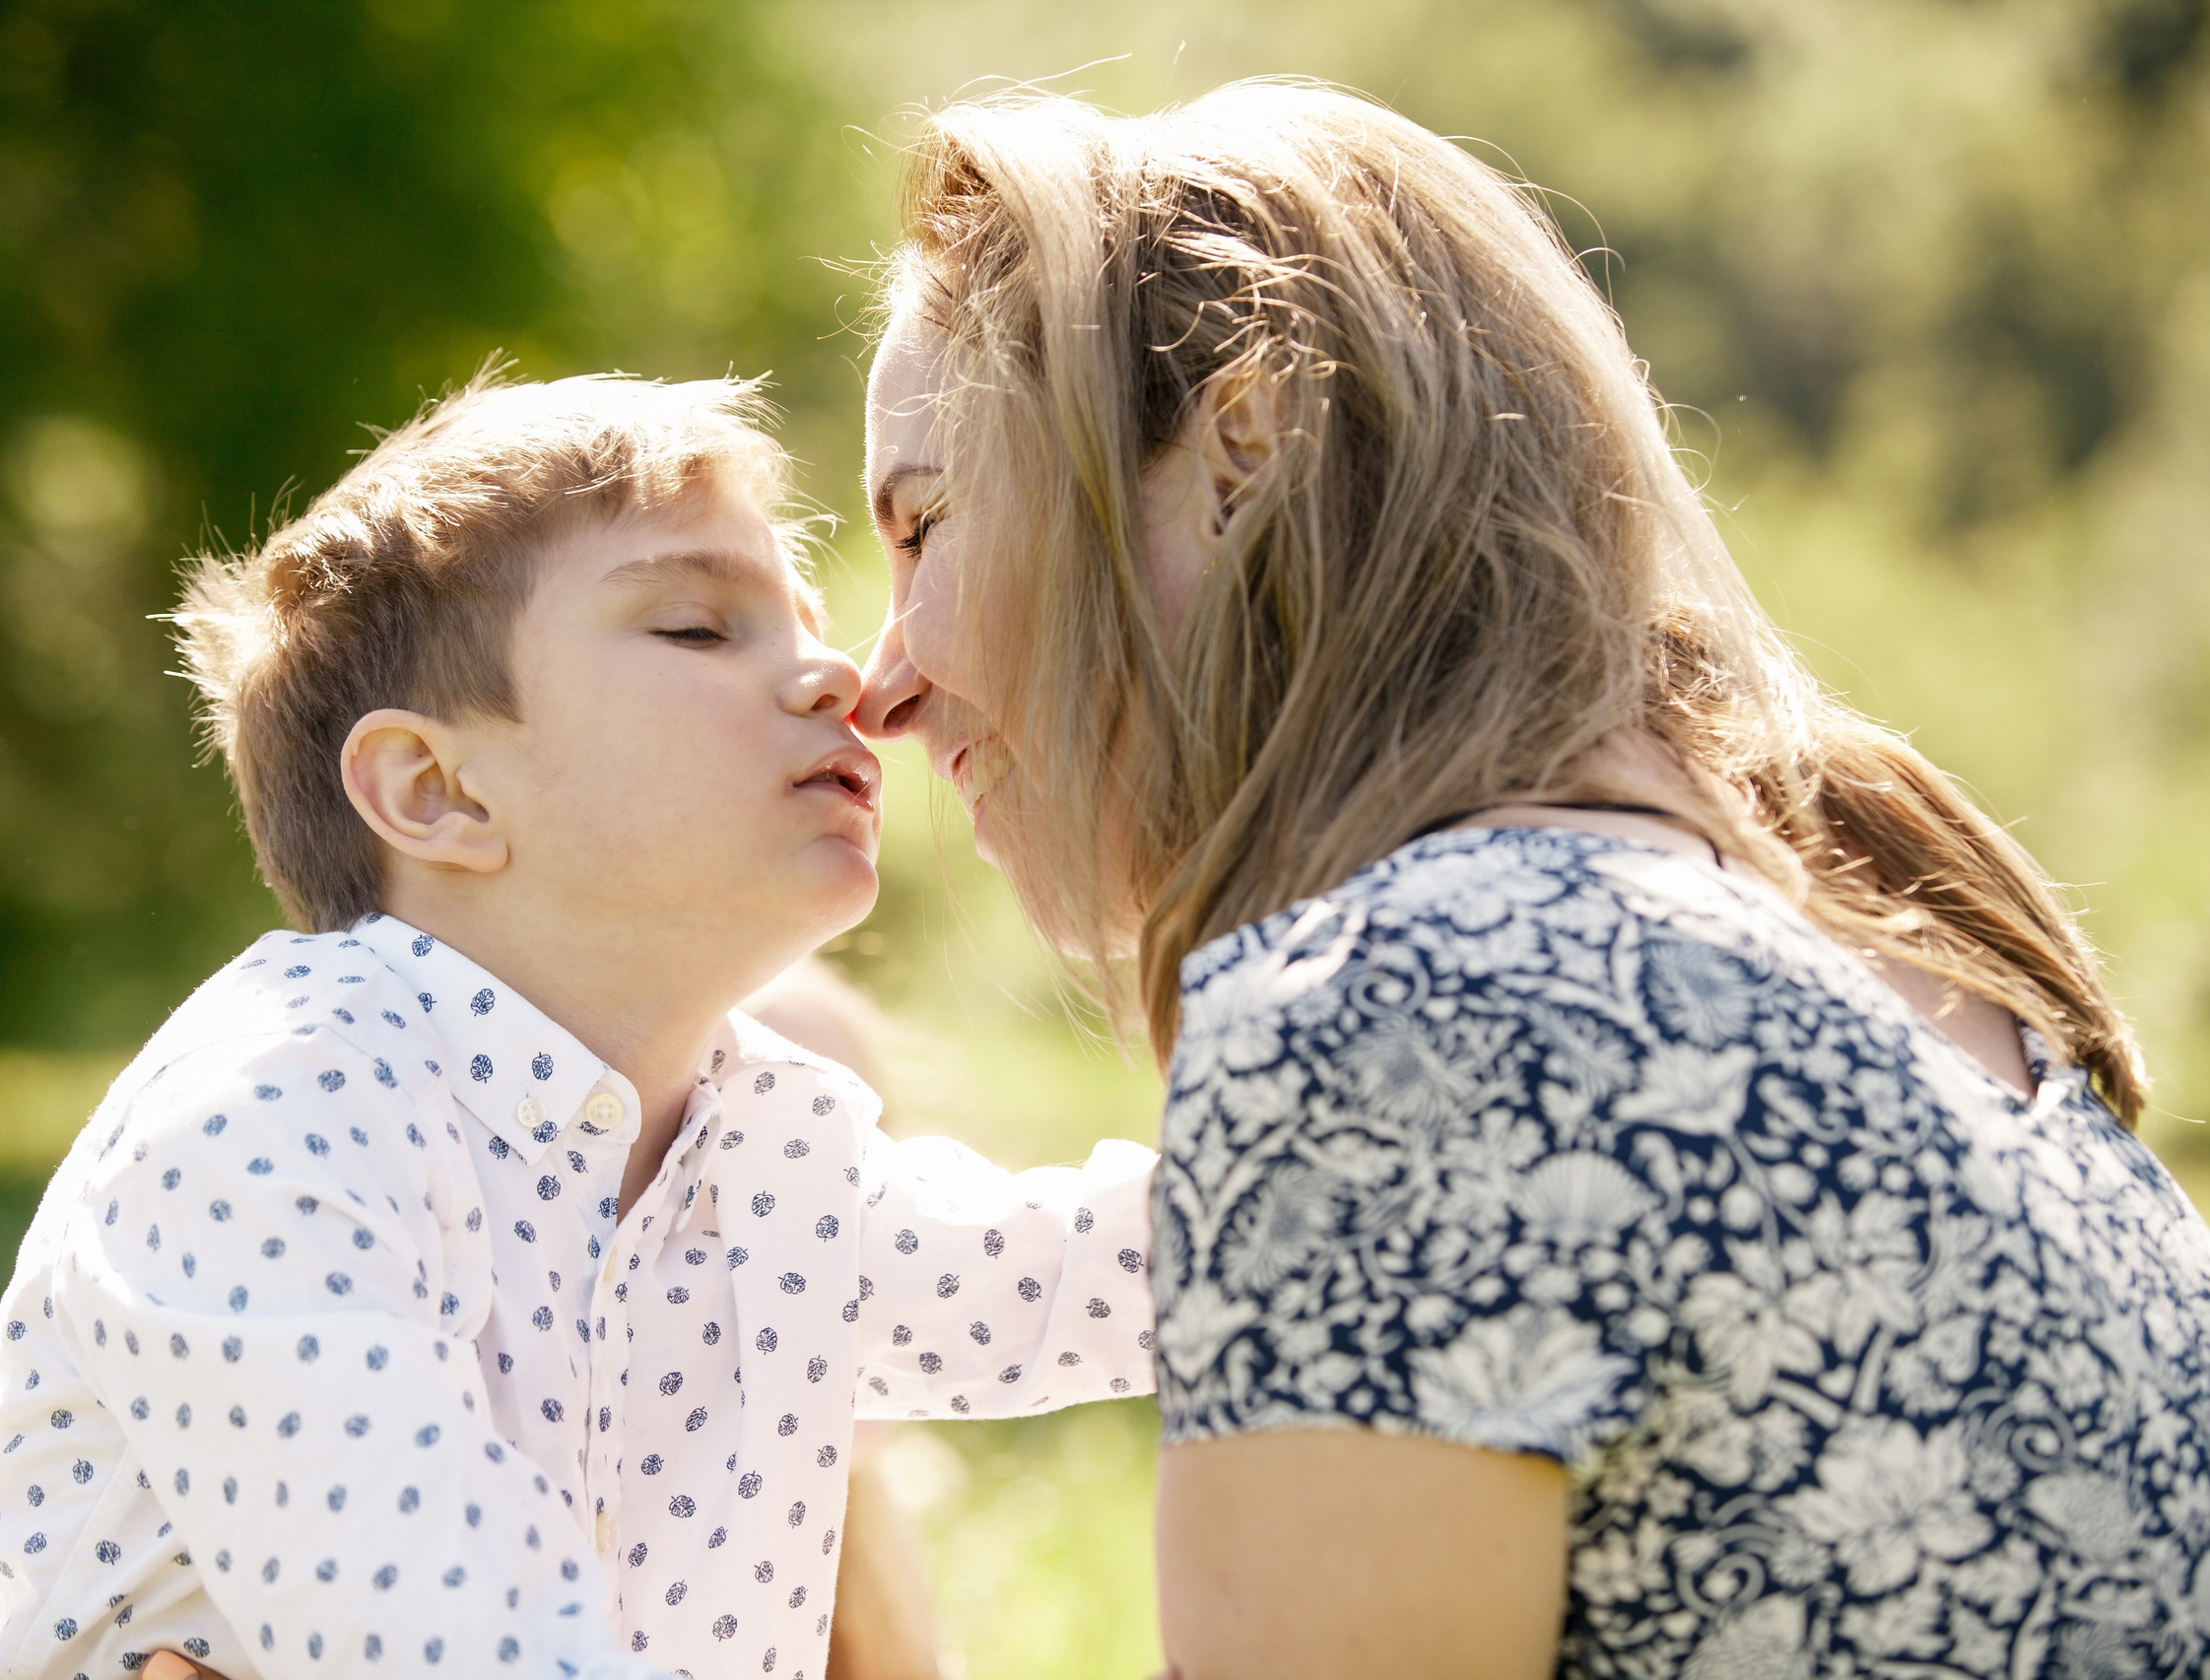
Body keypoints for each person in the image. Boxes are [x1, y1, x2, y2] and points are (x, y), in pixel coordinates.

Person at [851, 82, 2210, 1679]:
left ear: (1242, 453)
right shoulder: (1870, 916)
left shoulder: (1408, 1013)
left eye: (927, 522)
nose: (880, 684)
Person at [0, 370, 1154, 1680]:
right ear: (434, 791)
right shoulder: (274, 1121)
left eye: (809, 619)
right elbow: (466, 1646)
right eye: (702, 628)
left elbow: (1108, 1273)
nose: (840, 674)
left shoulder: (765, 1151)